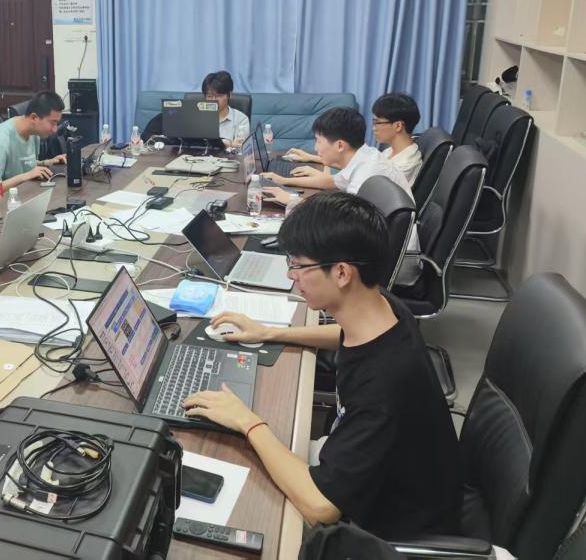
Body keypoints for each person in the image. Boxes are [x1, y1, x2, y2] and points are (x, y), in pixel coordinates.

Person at [183, 192, 461, 538]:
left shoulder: (383, 384)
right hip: (384, 474)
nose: (291, 275)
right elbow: (343, 332)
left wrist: (246, 421)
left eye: (299, 266)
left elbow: (321, 507)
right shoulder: (381, 307)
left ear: (341, 273)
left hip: (393, 527)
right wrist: (269, 332)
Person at [261, 107, 413, 207]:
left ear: (340, 145)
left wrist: (294, 201)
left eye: (319, 141)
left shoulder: (365, 177)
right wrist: (284, 181)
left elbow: (343, 222)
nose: (315, 148)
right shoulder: (365, 154)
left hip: (384, 245)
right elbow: (332, 181)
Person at [0, 91, 67, 193]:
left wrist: (46, 163)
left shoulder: (34, 133)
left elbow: (20, 164)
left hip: (23, 193)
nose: (55, 130)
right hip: (1, 201)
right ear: (34, 117)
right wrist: (25, 176)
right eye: (53, 123)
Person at [371, 93, 422, 184]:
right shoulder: (390, 151)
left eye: (377, 123)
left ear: (398, 126)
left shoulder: (406, 165)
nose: (374, 129)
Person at [201, 71, 250, 147]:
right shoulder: (198, 117)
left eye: (218, 96)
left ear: (229, 95)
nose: (214, 100)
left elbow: (240, 148)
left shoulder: (241, 120)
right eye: (210, 96)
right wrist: (230, 144)